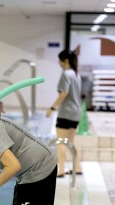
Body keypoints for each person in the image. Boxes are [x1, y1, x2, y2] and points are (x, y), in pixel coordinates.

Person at [45, 49, 83, 177]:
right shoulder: (76, 74)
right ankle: (77, 167)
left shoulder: (66, 74)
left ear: (65, 60)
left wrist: (52, 108)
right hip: (77, 112)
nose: (58, 62)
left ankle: (60, 169)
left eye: (60, 59)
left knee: (61, 141)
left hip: (66, 111)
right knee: (71, 142)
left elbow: (63, 93)